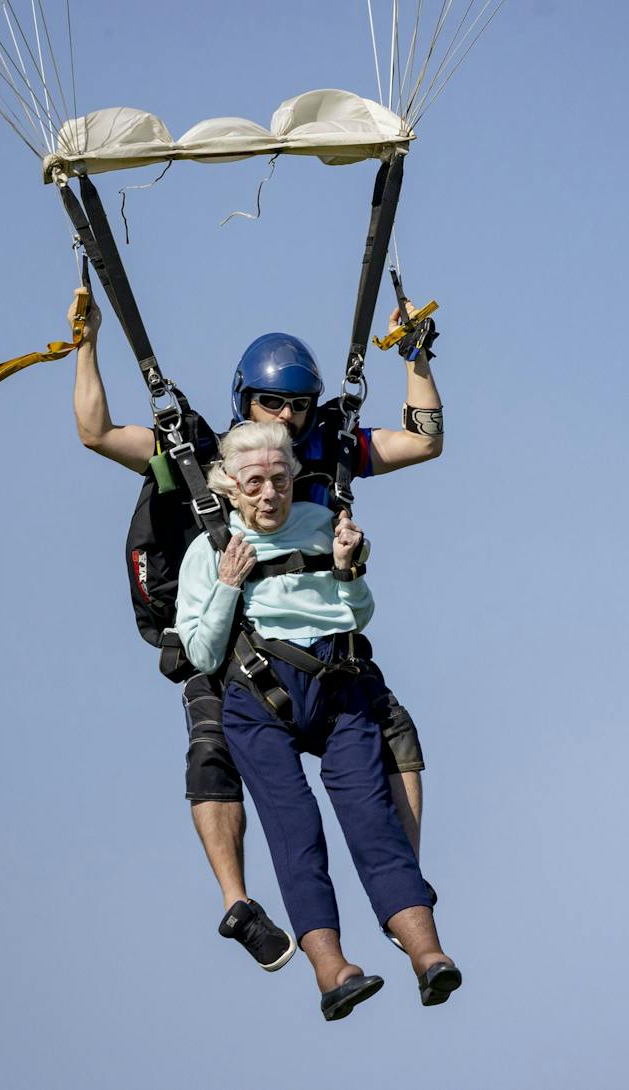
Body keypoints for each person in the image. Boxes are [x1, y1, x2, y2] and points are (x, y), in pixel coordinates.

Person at [72, 297, 445, 970]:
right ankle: (237, 902)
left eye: (299, 405)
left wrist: (417, 359)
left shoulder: (327, 453)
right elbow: (97, 432)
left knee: (396, 731)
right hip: (227, 638)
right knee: (212, 749)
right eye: (273, 403)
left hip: (318, 643)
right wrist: (86, 346)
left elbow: (422, 440)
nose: (287, 417)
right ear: (248, 401)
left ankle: (402, 885)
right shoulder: (204, 455)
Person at [175, 421, 459, 1019]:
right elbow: (200, 656)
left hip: (337, 688)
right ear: (230, 486)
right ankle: (333, 972)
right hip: (259, 699)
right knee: (295, 829)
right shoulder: (207, 550)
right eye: (255, 483)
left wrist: (348, 568)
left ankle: (428, 955)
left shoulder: (323, 526)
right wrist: (228, 585)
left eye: (280, 480)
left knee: (372, 818)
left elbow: (358, 613)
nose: (269, 495)